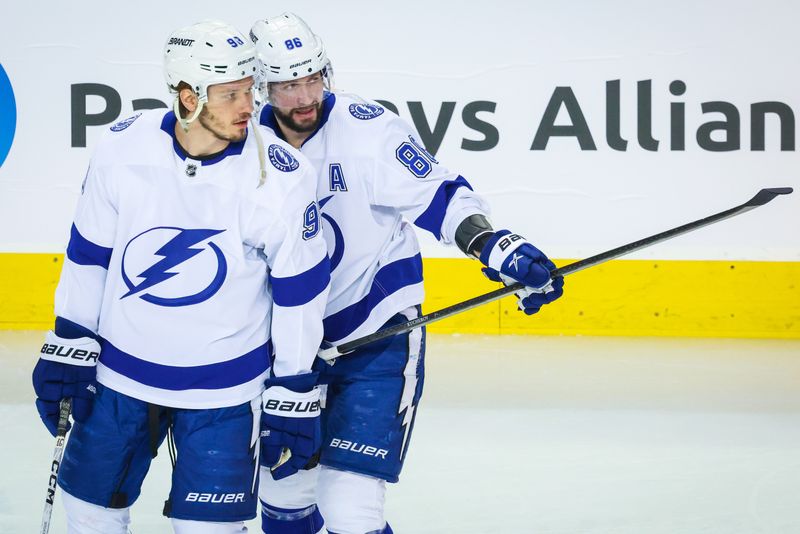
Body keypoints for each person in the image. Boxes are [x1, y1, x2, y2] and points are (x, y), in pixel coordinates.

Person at [249, 13, 564, 534]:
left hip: (375, 337)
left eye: (313, 78)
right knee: (285, 501)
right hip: (284, 350)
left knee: (351, 510)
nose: (305, 95)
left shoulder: (370, 130)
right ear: (262, 86)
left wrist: (495, 245)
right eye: (287, 85)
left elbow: (440, 198)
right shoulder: (242, 146)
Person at [31, 20, 330, 534]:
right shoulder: (121, 149)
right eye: (231, 94)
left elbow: (300, 294)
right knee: (90, 519)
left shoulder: (280, 176)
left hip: (227, 394)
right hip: (119, 380)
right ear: (189, 97)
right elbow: (88, 255)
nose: (248, 107)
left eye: (249, 91)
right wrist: (69, 338)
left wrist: (295, 384)